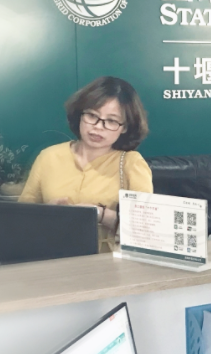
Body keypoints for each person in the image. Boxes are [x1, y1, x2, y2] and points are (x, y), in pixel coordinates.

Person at [20, 76, 152, 252]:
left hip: (107, 264)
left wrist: (99, 214)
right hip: (53, 258)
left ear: (125, 127)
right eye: (92, 115)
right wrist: (48, 213)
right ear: (80, 115)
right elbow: (21, 219)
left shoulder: (132, 163)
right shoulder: (49, 157)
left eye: (111, 121)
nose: (98, 127)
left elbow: (146, 229)